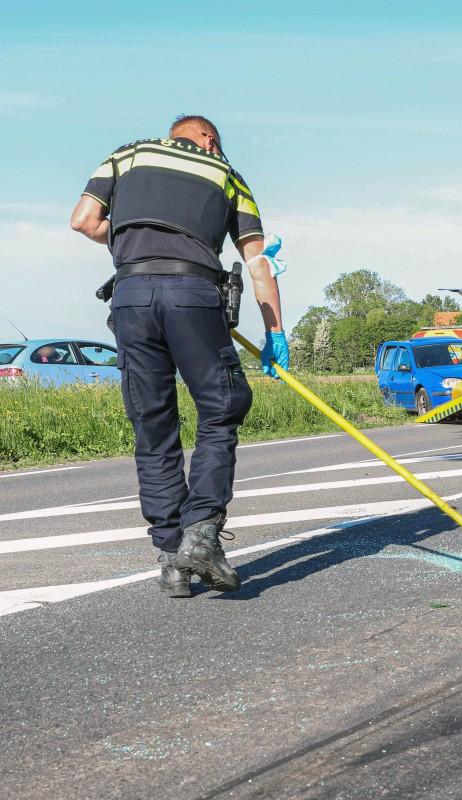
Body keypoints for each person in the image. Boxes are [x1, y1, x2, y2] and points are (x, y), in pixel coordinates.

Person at [69, 115, 289, 598]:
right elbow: (258, 263)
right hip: (193, 293)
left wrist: (133, 236)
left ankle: (172, 558)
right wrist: (276, 333)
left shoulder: (125, 155)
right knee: (221, 407)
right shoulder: (227, 175)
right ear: (208, 139)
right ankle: (202, 536)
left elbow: (83, 221)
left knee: (153, 423)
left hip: (130, 295)